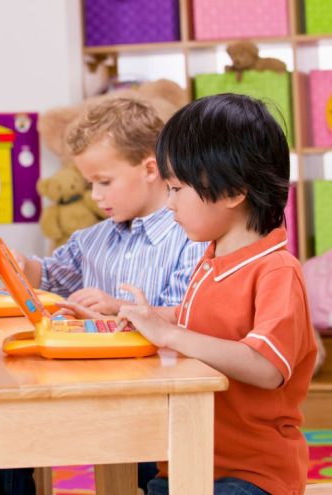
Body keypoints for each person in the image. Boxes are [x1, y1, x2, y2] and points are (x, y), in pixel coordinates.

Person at [0, 97, 206, 495]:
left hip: (156, 397)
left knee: (154, 473)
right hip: (88, 385)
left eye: (104, 182)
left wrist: (119, 308)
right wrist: (19, 264)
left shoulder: (188, 235)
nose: (95, 195)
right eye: (90, 183)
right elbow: (49, 276)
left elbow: (187, 316)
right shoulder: (92, 239)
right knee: (6, 423)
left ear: (150, 169)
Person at [115, 94, 318, 494]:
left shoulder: (277, 270)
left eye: (177, 189)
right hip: (191, 458)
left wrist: (171, 334)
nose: (169, 204)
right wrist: (152, 317)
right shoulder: (212, 261)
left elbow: (266, 366)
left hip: (251, 475)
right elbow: (205, 322)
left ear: (232, 191)